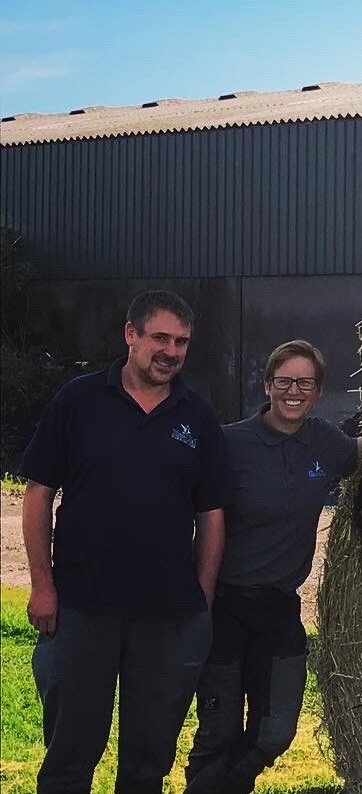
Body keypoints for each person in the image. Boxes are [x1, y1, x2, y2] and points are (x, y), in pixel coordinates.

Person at [21, 290, 230, 794]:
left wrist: (200, 598)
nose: (172, 351)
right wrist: (43, 586)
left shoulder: (197, 416)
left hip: (167, 617)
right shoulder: (79, 400)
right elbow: (37, 494)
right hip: (81, 609)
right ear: (130, 334)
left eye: (182, 342)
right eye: (161, 337)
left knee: (147, 763)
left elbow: (213, 514)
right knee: (70, 756)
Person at [185, 339, 362, 794]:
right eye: (285, 381)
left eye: (305, 384)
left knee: (276, 731)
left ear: (317, 392)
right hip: (226, 607)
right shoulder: (230, 442)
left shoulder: (324, 441)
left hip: (278, 610)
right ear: (268, 385)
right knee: (218, 730)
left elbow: (361, 452)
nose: (294, 391)